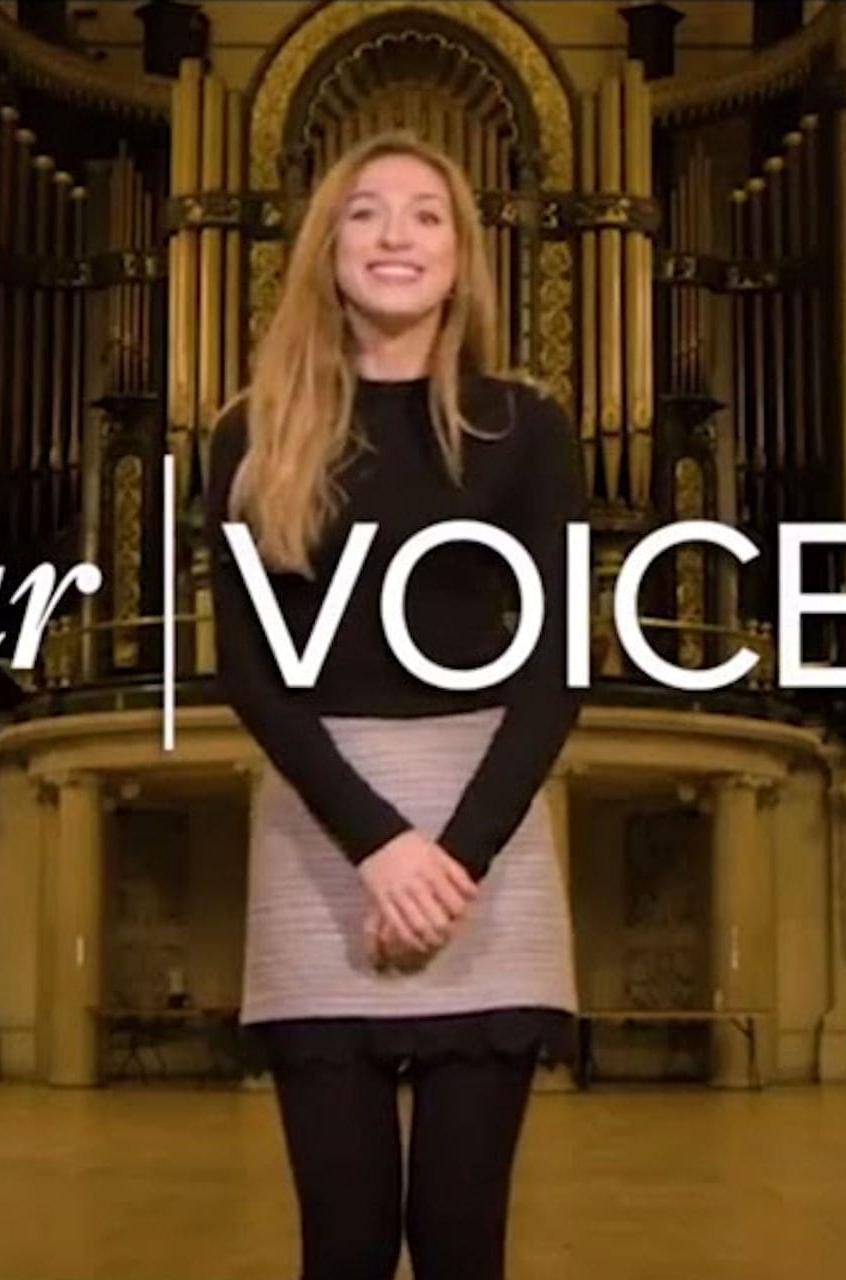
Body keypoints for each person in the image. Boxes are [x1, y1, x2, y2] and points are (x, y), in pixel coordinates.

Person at [202, 130, 588, 1280]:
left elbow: (557, 663)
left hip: (489, 825)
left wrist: (449, 859)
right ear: (328, 252)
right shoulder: (250, 435)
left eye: (426, 213)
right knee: (347, 1244)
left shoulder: (528, 428)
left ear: (462, 256)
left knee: (464, 1242)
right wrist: (378, 845)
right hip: (324, 830)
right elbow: (250, 666)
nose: (396, 235)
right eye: (366, 213)